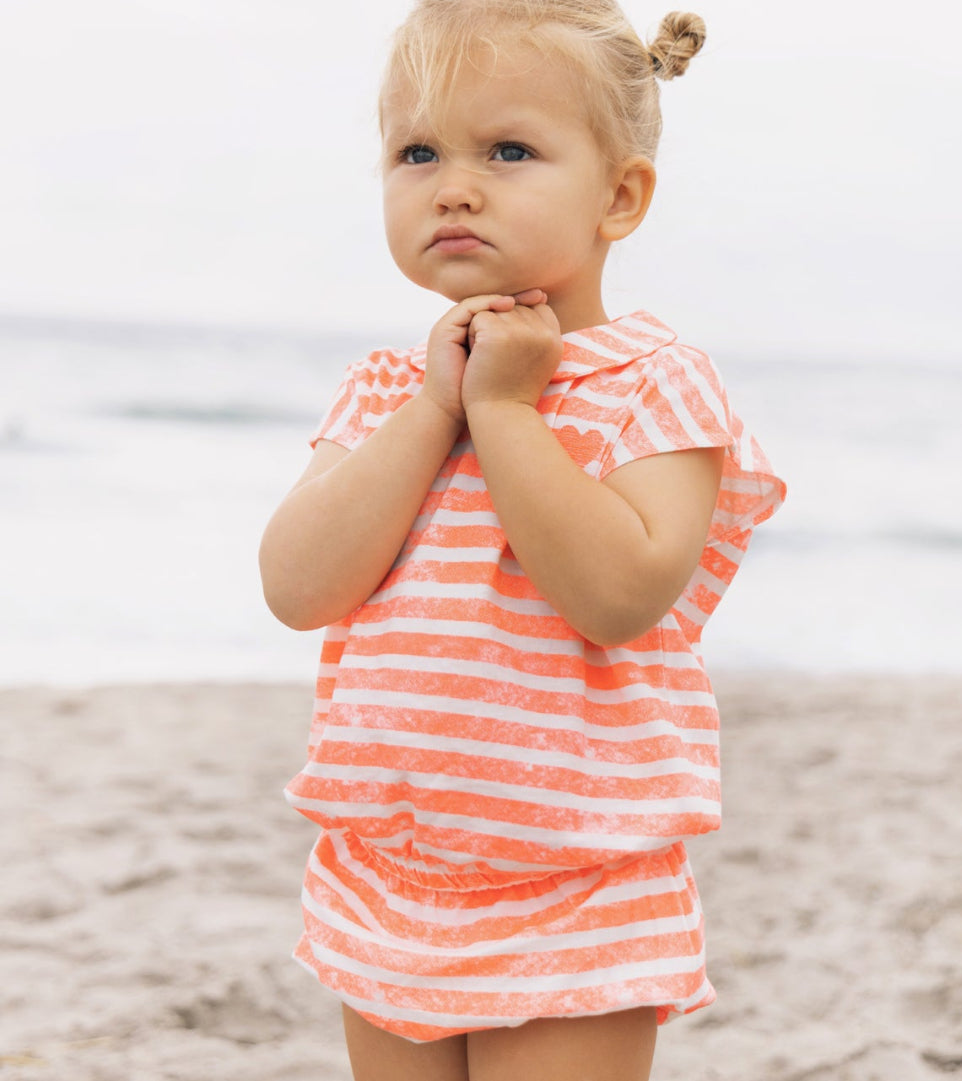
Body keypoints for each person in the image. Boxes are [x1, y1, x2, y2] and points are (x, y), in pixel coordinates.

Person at [259, 2, 785, 1078]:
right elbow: (299, 585)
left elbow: (621, 592)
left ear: (619, 197)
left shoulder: (653, 384)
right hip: (389, 870)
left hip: (573, 879)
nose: (454, 183)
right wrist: (433, 412)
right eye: (418, 151)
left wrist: (505, 412)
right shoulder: (386, 394)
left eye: (509, 150)